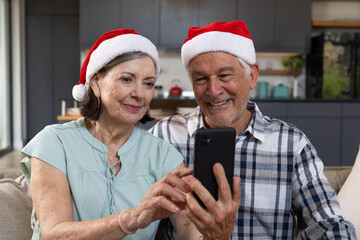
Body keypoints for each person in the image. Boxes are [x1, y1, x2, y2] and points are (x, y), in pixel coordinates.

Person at [150, 21, 357, 239]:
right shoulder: (165, 136)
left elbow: (330, 222)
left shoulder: (291, 143)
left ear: (252, 76)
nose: (213, 90)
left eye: (225, 75)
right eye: (201, 79)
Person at [19, 29, 210, 240]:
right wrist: (133, 219)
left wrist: (216, 229)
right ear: (95, 83)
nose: (139, 94)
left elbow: (191, 231)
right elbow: (54, 235)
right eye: (127, 79)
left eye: (148, 83)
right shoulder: (54, 142)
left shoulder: (163, 155)